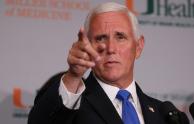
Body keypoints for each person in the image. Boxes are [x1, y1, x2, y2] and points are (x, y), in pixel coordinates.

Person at [28, 2, 167, 124]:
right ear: (87, 45)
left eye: (120, 37)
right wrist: (73, 76)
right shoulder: (72, 105)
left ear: (138, 47)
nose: (111, 48)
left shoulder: (165, 114)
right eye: (100, 38)